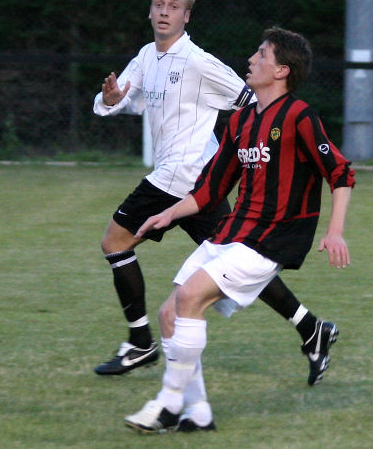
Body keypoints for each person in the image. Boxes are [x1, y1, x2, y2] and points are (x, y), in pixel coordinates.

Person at [93, 0, 338, 388]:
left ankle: (140, 341)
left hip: (181, 177)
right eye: (158, 4)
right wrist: (113, 99)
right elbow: (125, 102)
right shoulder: (144, 58)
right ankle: (311, 328)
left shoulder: (199, 62)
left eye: (174, 6)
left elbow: (250, 99)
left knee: (115, 242)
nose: (165, 11)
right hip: (202, 183)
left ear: (186, 16)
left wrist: (257, 151)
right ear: (151, 12)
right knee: (238, 262)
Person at [123, 27, 355, 434]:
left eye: (261, 54)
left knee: (190, 297)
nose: (251, 59)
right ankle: (198, 414)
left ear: (281, 70)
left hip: (272, 239)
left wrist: (334, 232)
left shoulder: (299, 116)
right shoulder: (241, 120)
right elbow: (212, 188)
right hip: (233, 231)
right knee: (169, 315)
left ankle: (167, 404)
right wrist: (169, 214)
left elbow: (340, 172)